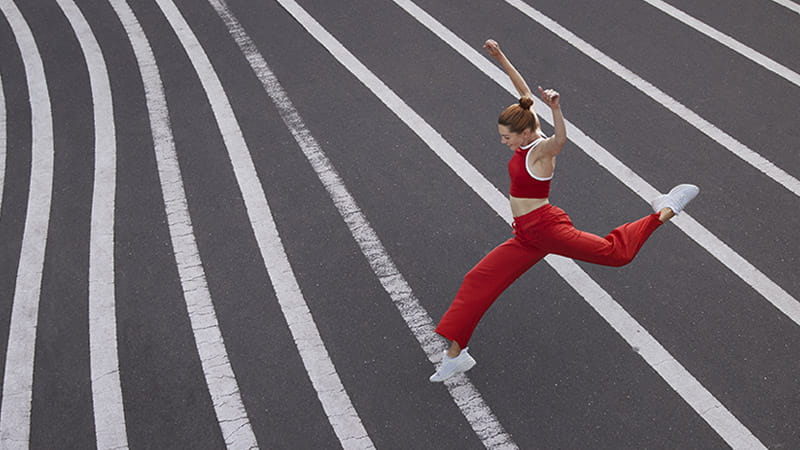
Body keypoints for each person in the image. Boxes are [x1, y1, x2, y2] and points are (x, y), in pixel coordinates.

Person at [429, 39, 699, 382]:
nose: (503, 142)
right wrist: (501, 57)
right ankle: (456, 355)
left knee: (616, 254)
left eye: (506, 138)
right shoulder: (529, 127)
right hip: (527, 233)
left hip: (545, 228)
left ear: (525, 132)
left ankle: (665, 209)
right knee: (478, 280)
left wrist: (557, 109)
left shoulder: (541, 150)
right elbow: (523, 90)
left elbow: (561, 142)